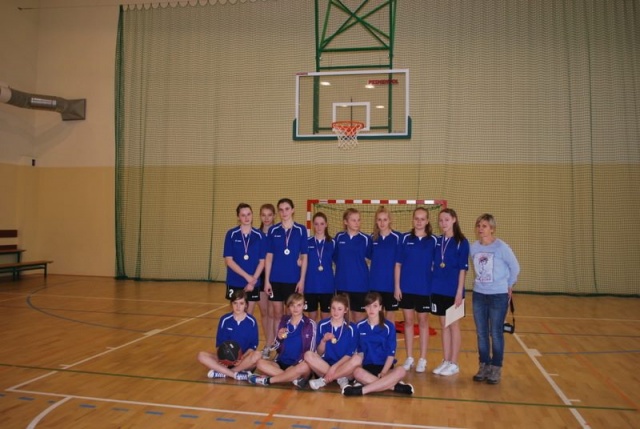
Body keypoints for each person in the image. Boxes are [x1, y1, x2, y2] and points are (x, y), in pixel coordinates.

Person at [470, 213, 520, 385]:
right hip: (479, 294)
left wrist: (509, 285)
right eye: (479, 226)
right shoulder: (474, 247)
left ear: (492, 229)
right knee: (481, 333)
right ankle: (484, 365)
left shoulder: (501, 247)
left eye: (484, 226)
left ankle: (496, 367)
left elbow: (515, 267)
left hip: (498, 295)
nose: (480, 229)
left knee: (496, 333)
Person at [341, 292, 414, 396]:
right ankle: (394, 387)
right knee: (357, 372)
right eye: (368, 306)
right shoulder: (359, 326)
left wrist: (384, 372)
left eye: (375, 306)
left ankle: (362, 390)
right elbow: (359, 352)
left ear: (380, 307)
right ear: (365, 308)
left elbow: (391, 354)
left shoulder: (389, 327)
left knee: (401, 370)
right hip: (367, 368)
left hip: (386, 367)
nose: (371, 309)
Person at [263, 198, 309, 358]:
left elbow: (305, 256)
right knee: (277, 314)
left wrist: (302, 280)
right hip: (275, 279)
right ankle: (277, 347)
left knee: (292, 315)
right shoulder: (273, 230)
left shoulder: (301, 230)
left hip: (293, 280)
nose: (284, 212)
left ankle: (290, 348)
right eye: (281, 210)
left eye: (287, 209)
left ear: (293, 210)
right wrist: (267, 280)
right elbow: (269, 257)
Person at [394, 207, 437, 373]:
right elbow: (398, 264)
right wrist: (397, 286)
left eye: (422, 219)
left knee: (424, 322)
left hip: (424, 289)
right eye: (416, 218)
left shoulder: (434, 240)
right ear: (413, 220)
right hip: (406, 288)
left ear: (427, 221)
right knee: (408, 322)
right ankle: (410, 357)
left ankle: (423, 359)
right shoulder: (405, 238)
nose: (419, 222)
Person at [244, 293, 317, 387]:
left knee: (304, 367)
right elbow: (277, 348)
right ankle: (292, 378)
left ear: (304, 306)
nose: (295, 308)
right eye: (292, 305)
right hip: (281, 363)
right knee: (260, 363)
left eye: (299, 305)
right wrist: (279, 337)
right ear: (288, 307)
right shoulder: (284, 321)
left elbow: (311, 350)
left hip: (298, 364)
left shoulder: (310, 324)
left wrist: (294, 365)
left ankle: (268, 380)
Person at [430, 208, 470, 377]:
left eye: (446, 219)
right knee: (443, 325)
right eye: (441, 220)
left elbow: (462, 269)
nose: (443, 223)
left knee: (454, 325)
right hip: (437, 289)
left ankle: (454, 363)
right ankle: (446, 360)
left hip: (453, 291)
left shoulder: (462, 242)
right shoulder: (438, 241)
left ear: (454, 219)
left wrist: (459, 291)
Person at [197, 290, 259, 380]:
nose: (238, 307)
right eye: (235, 303)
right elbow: (219, 344)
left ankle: (225, 372)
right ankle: (235, 374)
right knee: (201, 355)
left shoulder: (251, 321)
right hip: (225, 359)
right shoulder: (224, 319)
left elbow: (253, 346)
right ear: (231, 304)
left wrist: (242, 358)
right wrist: (223, 358)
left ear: (246, 305)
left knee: (257, 355)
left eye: (241, 303)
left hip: (243, 361)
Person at [305, 294, 358, 390]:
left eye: (339, 309)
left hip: (344, 366)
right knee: (308, 355)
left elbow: (349, 354)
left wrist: (334, 367)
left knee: (357, 359)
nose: (335, 312)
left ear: (345, 310)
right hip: (325, 366)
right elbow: (319, 352)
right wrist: (323, 340)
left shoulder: (352, 328)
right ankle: (340, 378)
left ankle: (324, 380)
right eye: (333, 308)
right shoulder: (322, 324)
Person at [222, 203, 267, 314]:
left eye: (249, 214)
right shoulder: (231, 234)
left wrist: (252, 281)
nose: (246, 218)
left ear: (252, 215)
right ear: (238, 217)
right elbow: (229, 261)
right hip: (235, 281)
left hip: (253, 282)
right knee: (235, 314)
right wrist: (248, 277)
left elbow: (262, 261)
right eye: (243, 215)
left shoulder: (260, 235)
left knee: (248, 314)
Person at [334, 208, 372, 323]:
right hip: (342, 284)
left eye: (358, 220)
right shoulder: (339, 237)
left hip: (360, 285)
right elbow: (334, 257)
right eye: (353, 220)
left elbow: (371, 258)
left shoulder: (366, 239)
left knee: (359, 318)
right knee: (345, 319)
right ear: (346, 222)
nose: (357, 223)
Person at [369, 206, 402, 323]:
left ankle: (390, 337)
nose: (382, 223)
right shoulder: (372, 238)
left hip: (390, 285)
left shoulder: (398, 238)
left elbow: (399, 264)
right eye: (379, 219)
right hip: (374, 285)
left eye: (385, 219)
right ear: (376, 221)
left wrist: (397, 287)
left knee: (389, 319)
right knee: (375, 317)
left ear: (389, 220)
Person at [304, 212, 335, 321]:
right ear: (313, 225)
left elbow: (339, 262)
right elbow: (301, 260)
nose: (319, 227)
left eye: (322, 224)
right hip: (310, 285)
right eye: (316, 224)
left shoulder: (333, 243)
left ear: (326, 224)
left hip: (327, 286)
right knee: (311, 319)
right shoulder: (307, 242)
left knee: (325, 319)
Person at [257, 203, 276, 353]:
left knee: (273, 312)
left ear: (274, 216)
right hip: (260, 275)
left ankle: (274, 342)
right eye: (263, 215)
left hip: (275, 274)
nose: (266, 218)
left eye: (269, 215)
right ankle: (268, 343)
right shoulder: (256, 235)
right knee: (264, 312)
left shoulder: (278, 232)